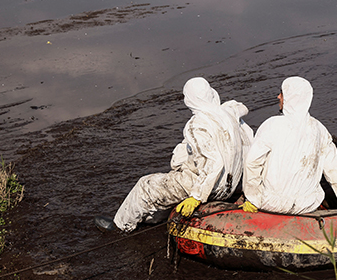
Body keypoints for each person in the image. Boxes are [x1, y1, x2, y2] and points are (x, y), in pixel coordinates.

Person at [95, 77, 254, 233]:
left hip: (213, 187)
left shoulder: (197, 124)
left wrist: (197, 196)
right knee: (181, 162)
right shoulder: (230, 114)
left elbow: (214, 162)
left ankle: (120, 226)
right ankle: (157, 216)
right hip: (234, 184)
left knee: (146, 186)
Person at [241, 76, 337, 215]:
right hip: (306, 205)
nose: (278, 97)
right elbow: (334, 171)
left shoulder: (271, 125)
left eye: (282, 94)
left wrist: (252, 198)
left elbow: (252, 163)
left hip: (270, 204)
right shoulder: (319, 130)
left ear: (290, 98)